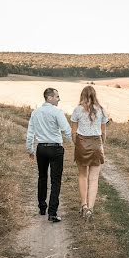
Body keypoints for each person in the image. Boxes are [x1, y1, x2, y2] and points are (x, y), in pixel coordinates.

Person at [26, 87, 72, 222]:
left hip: (41, 149)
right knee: (55, 180)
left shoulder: (36, 112)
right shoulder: (57, 112)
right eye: (57, 96)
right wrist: (77, 146)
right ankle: (52, 213)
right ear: (49, 97)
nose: (59, 99)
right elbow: (67, 131)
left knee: (42, 177)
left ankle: (42, 207)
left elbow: (30, 133)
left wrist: (30, 150)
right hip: (56, 149)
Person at [70, 85, 109, 221]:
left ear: (82, 95)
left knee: (82, 176)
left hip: (81, 142)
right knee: (94, 178)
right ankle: (90, 209)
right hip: (96, 143)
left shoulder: (77, 110)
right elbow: (103, 133)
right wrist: (100, 145)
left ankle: (84, 205)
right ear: (95, 95)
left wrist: (78, 145)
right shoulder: (102, 110)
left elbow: (73, 132)